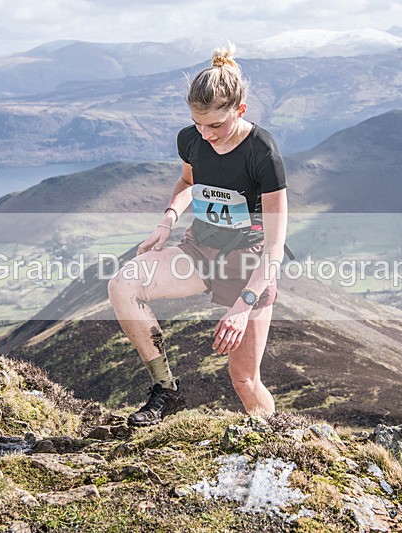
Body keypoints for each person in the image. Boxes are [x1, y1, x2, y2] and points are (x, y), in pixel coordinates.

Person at [107, 43, 288, 426]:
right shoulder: (190, 139)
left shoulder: (262, 152)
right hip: (201, 249)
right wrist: (167, 221)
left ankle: (276, 441)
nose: (206, 135)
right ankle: (166, 391)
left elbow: (274, 250)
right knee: (124, 284)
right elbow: (189, 182)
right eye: (198, 124)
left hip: (251, 263)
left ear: (240, 111)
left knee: (243, 379)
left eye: (216, 126)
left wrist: (241, 310)